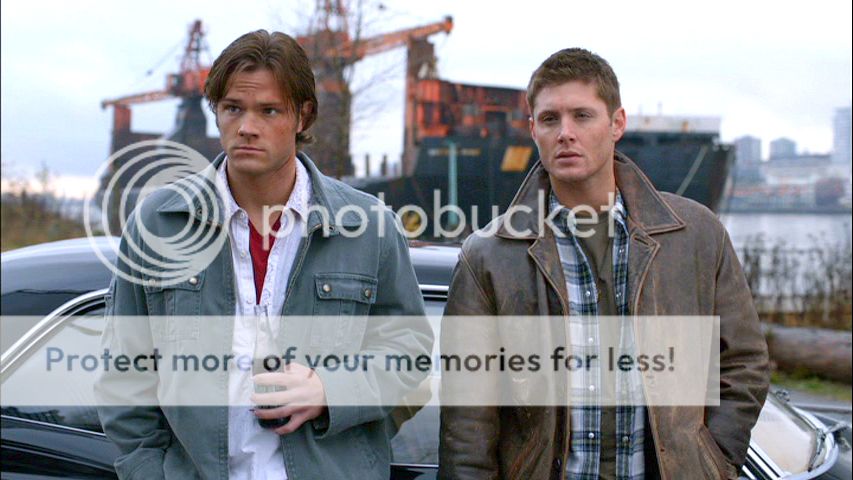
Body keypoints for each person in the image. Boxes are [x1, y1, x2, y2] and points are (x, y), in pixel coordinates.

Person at [96, 30, 432, 479]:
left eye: (268, 110)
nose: (246, 127)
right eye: (233, 108)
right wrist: (147, 471)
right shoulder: (158, 223)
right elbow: (124, 375)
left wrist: (332, 392)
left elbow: (411, 355)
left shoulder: (369, 227)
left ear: (302, 115)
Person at [439, 48, 769, 479]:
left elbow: (743, 363)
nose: (566, 133)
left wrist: (712, 461)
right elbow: (468, 415)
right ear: (533, 129)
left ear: (617, 124)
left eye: (582, 116)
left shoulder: (696, 235)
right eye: (550, 119)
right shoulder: (488, 255)